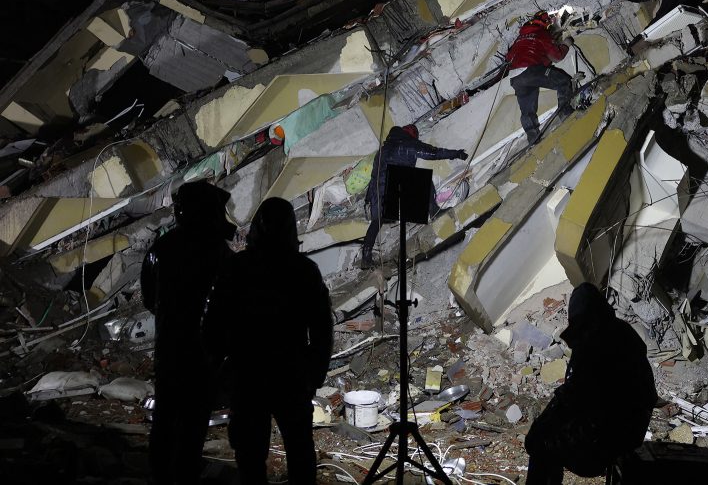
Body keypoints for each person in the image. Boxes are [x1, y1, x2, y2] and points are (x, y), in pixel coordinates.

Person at [204, 197, 333, 485]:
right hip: (290, 373)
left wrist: (217, 366)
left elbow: (215, 323)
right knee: (299, 450)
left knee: (251, 456)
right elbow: (322, 328)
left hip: (249, 373)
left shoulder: (237, 268)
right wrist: (315, 372)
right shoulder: (304, 270)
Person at [141, 180, 236, 485]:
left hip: (170, 347)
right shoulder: (220, 252)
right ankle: (185, 472)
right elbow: (234, 304)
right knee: (194, 421)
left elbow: (148, 297)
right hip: (205, 353)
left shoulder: (162, 248)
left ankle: (162, 474)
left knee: (167, 417)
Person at [525, 282, 656, 484]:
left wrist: (543, 425)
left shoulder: (600, 343)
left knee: (542, 444)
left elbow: (580, 393)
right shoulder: (618, 332)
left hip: (611, 435)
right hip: (626, 428)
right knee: (546, 435)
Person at [361, 124, 467, 265]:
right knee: (425, 181)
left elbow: (373, 176)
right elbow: (432, 153)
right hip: (397, 186)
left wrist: (369, 199)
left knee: (377, 220)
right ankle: (434, 211)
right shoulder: (408, 143)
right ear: (412, 135)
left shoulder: (382, 150)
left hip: (379, 191)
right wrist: (456, 154)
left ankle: (366, 255)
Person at [505, 11, 575, 145]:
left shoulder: (519, 38)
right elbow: (557, 57)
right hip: (531, 71)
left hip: (515, 78)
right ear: (545, 24)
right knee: (563, 80)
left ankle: (533, 138)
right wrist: (566, 44)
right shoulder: (541, 33)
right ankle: (565, 113)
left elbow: (508, 58)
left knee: (527, 110)